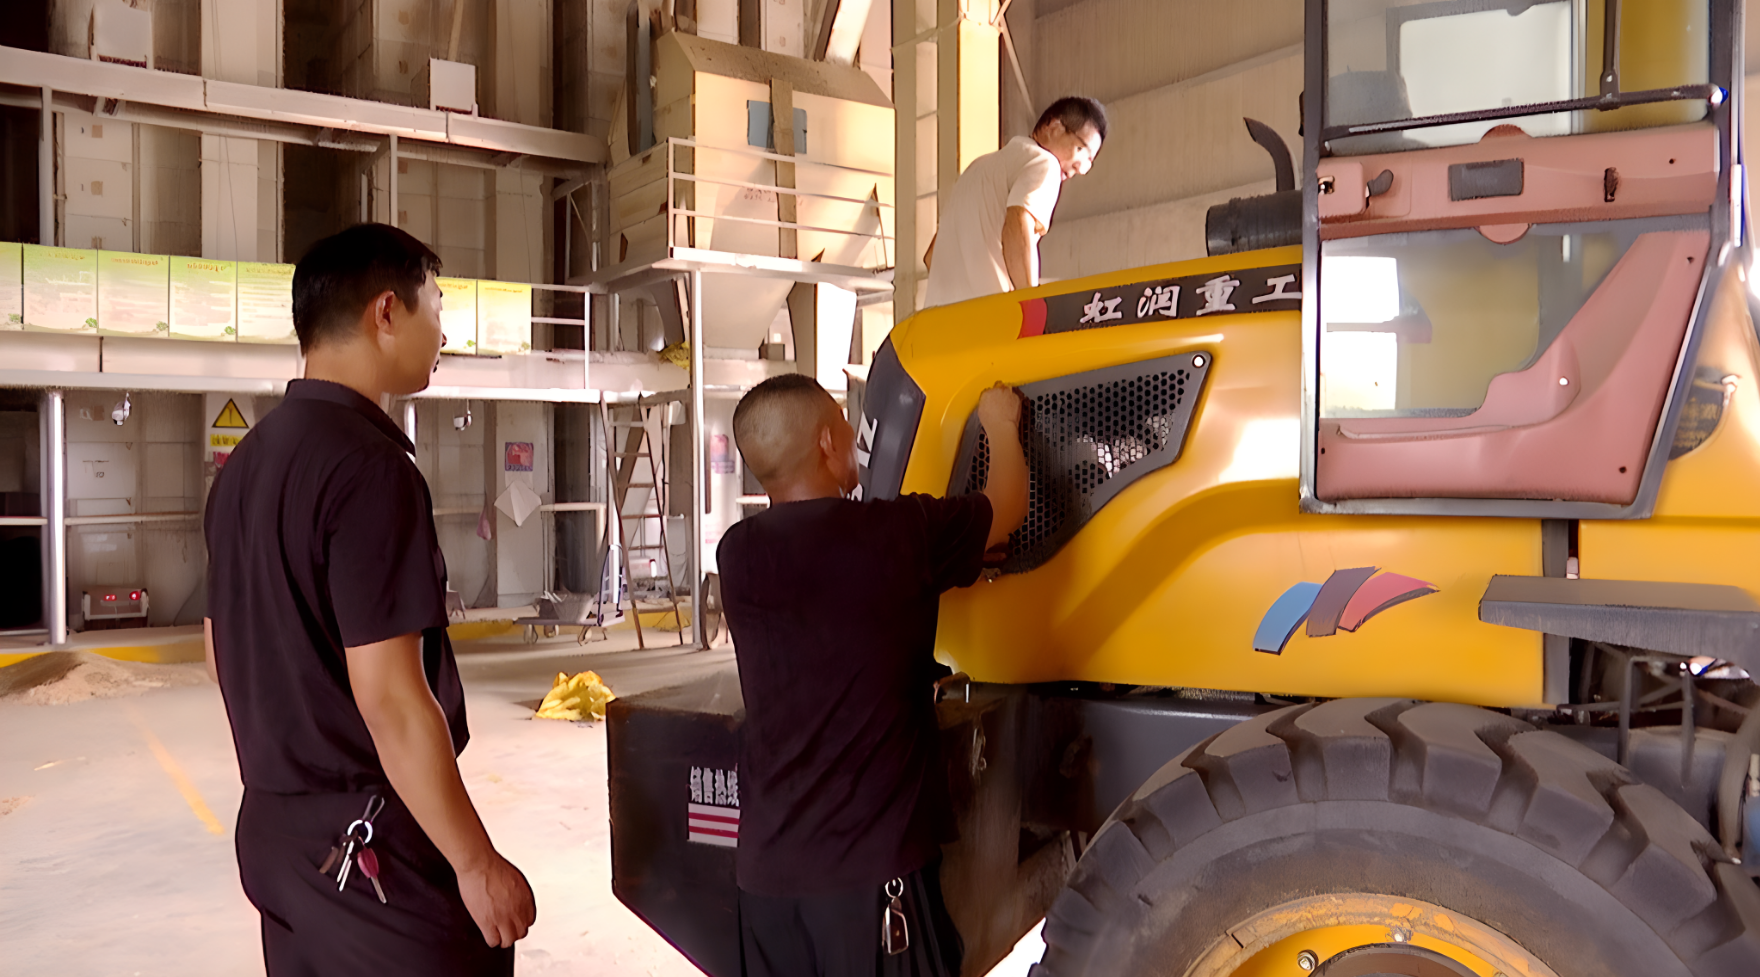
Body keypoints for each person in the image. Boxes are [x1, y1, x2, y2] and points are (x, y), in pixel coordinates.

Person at [204, 223, 536, 976]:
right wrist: (475, 862)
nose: (443, 334)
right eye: (437, 309)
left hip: (275, 835)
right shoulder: (370, 468)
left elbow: (221, 655)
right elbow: (390, 697)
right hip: (367, 845)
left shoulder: (244, 466)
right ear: (387, 311)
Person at [718, 374, 1029, 977]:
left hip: (766, 882)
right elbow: (1008, 505)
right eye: (845, 424)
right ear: (828, 442)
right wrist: (1000, 423)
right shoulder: (896, 533)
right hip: (871, 882)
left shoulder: (737, 554)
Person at [923, 96, 1108, 308]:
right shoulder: (1044, 163)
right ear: (1054, 127)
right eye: (1081, 150)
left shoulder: (977, 168)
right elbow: (1018, 225)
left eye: (1089, 162)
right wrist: (1031, 303)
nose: (1081, 168)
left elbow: (932, 256)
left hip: (938, 319)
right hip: (988, 316)